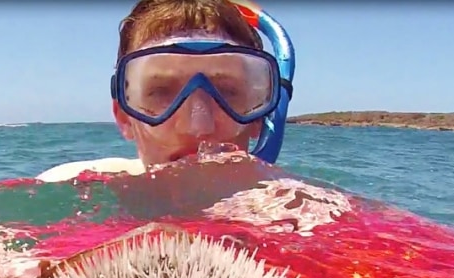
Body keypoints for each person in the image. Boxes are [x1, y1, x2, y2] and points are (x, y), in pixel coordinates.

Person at [37, 0, 295, 182]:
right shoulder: (68, 190)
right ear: (124, 116)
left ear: (260, 113)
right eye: (161, 91)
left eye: (227, 91)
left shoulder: (305, 215)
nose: (198, 128)